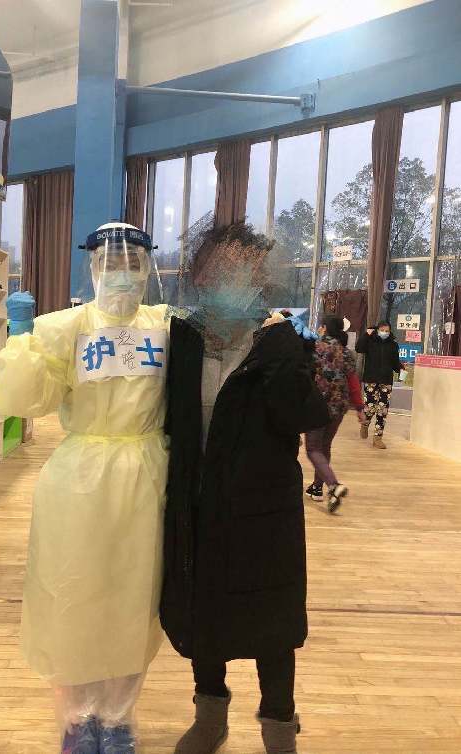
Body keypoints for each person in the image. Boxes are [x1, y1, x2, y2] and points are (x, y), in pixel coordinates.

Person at [0, 222, 170, 754]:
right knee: (75, 597)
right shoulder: (65, 327)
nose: (122, 274)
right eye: (111, 264)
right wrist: (22, 339)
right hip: (80, 481)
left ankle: (118, 720)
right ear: (93, 267)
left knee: (134, 599)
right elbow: (26, 401)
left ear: (147, 268)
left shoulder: (165, 327)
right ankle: (78, 718)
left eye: (133, 263)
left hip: (146, 473)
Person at [161, 222, 329, 754]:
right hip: (197, 501)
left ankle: (279, 725)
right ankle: (210, 715)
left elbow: (302, 415)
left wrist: (284, 353)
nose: (231, 278)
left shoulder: (277, 341)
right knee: (203, 612)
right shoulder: (184, 339)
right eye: (221, 267)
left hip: (264, 511)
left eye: (243, 269)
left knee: (273, 624)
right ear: (200, 274)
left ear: (260, 278)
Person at [305, 315, 366, 513]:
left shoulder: (315, 348)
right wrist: (359, 408)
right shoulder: (346, 352)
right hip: (339, 407)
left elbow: (304, 377)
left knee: (313, 448)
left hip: (317, 406)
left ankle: (333, 485)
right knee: (324, 447)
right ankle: (317, 488)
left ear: (324, 328)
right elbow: (353, 383)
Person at [355, 321, 405, 449]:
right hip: (371, 379)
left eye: (387, 330)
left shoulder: (393, 345)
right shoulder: (370, 341)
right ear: (377, 330)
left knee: (382, 410)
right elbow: (359, 348)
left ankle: (378, 438)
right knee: (370, 407)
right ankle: (365, 424)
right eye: (382, 330)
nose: (385, 332)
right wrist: (366, 334)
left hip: (386, 380)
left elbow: (395, 362)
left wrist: (400, 368)